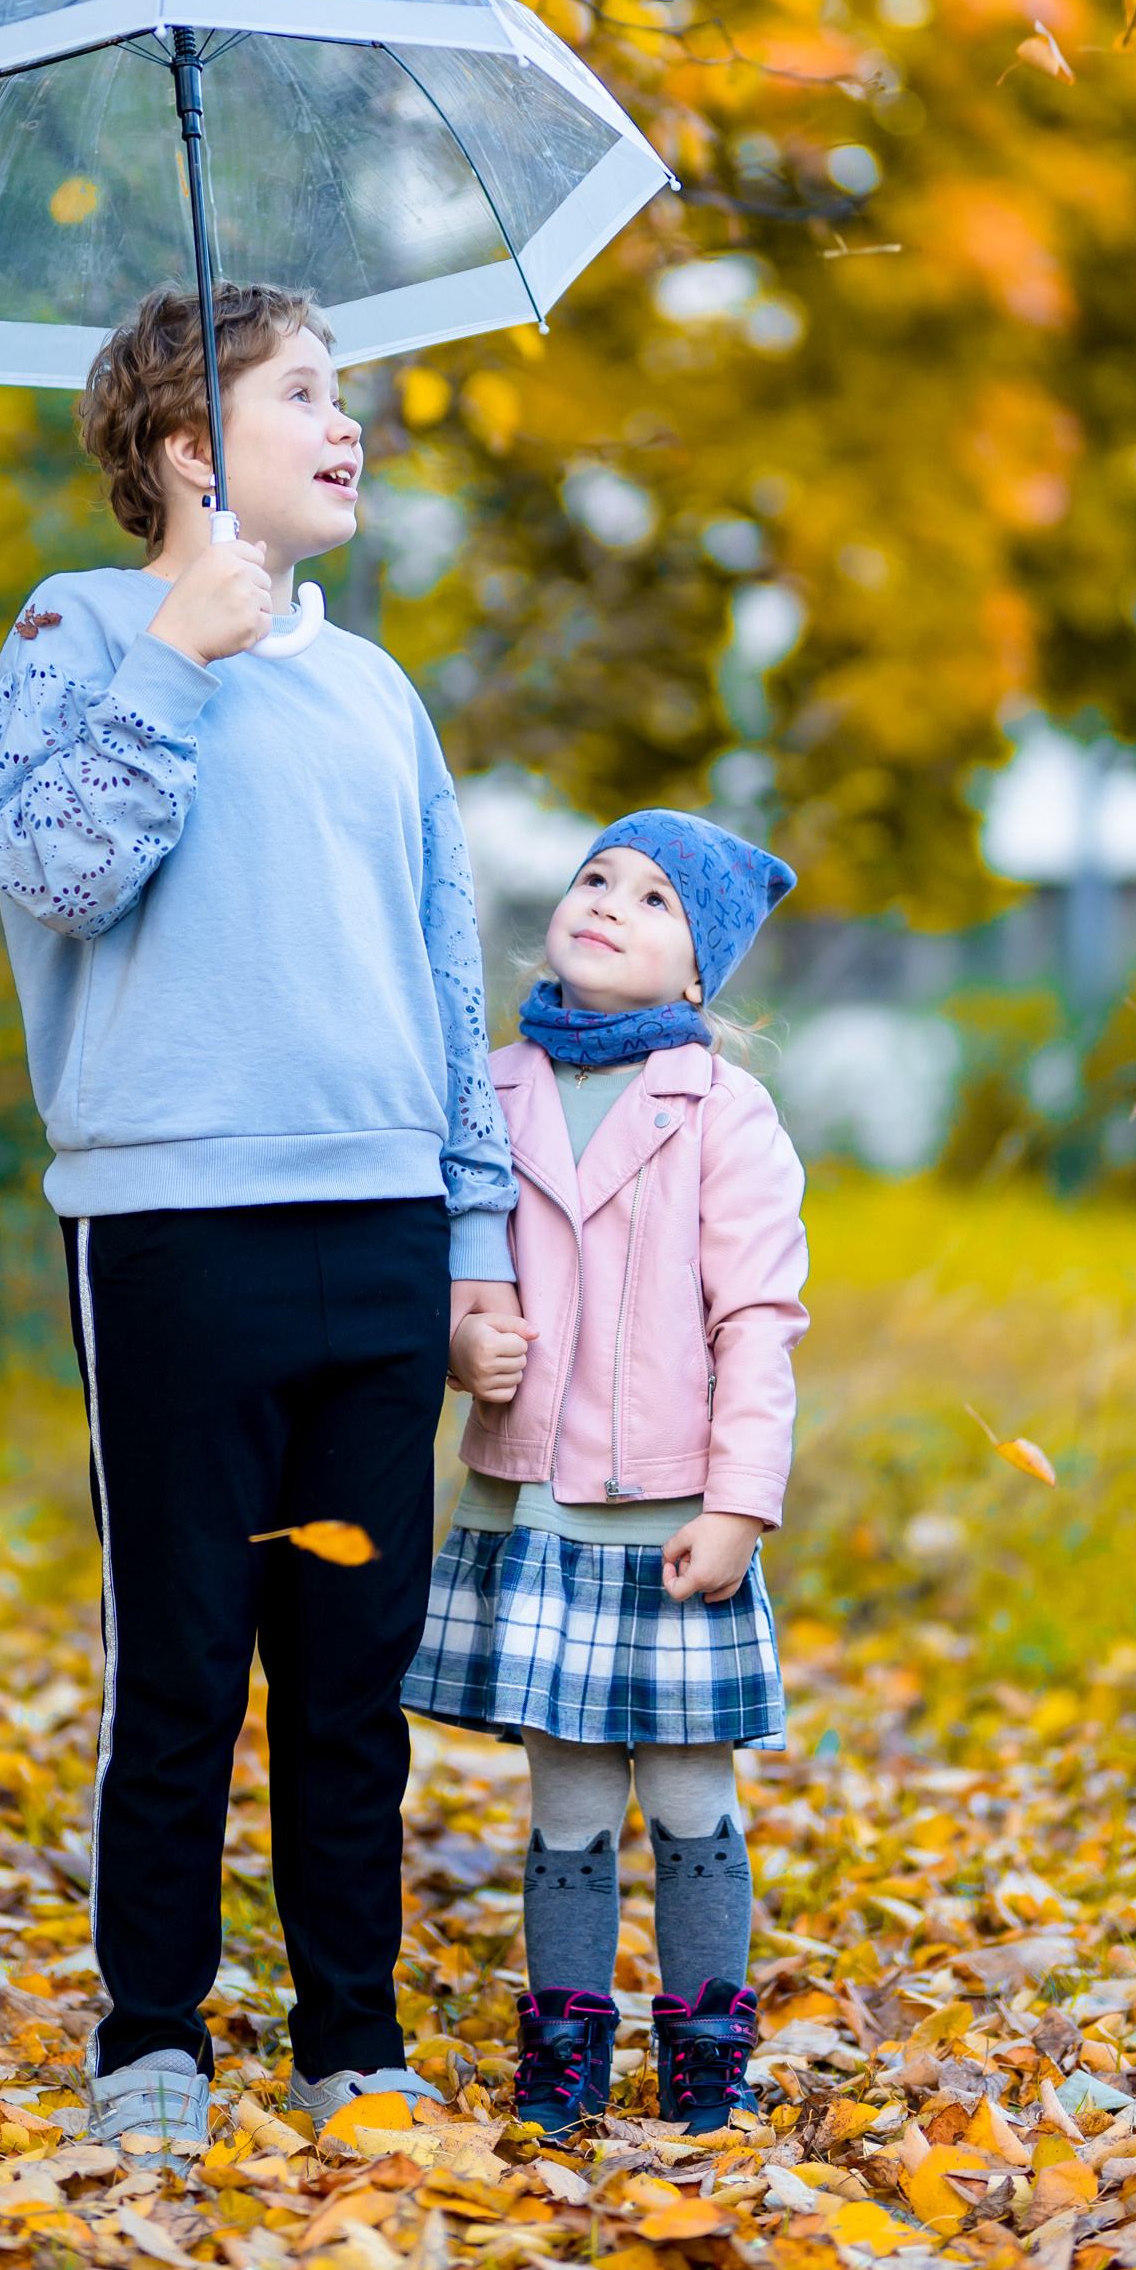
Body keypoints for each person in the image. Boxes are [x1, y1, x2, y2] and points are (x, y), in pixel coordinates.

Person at [0, 283, 516, 2152]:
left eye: (347, 394)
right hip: (175, 1233)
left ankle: (351, 2039)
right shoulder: (78, 633)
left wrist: (476, 1245)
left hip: (374, 1232)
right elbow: (56, 872)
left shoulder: (377, 691)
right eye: (308, 392)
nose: (349, 424)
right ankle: (152, 2041)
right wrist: (178, 663)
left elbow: (449, 984)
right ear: (192, 444)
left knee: (351, 1676)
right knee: (187, 1653)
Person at [404, 811, 808, 2137]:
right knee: (568, 1793)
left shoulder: (724, 1114)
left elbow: (758, 1318)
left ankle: (705, 2045)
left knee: (689, 1792)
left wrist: (741, 1503)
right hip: (540, 1504)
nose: (610, 903)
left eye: (654, 898)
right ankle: (565, 2048)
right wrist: (466, 1347)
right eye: (597, 878)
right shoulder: (495, 1087)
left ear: (700, 973)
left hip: (673, 1510)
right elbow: (462, 1257)